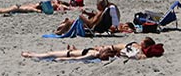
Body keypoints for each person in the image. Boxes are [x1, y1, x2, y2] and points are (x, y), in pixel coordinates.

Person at [21, 37, 159, 61]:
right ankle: (33, 55)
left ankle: (32, 55)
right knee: (71, 55)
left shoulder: (132, 45)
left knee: (62, 54)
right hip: (96, 51)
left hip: (95, 52)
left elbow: (110, 47)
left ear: (144, 45)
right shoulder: (138, 52)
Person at [55, 0, 119, 34]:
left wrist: (82, 17)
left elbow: (91, 24)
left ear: (101, 6)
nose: (96, 7)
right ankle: (61, 29)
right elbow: (95, 18)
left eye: (97, 5)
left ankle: (59, 32)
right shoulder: (102, 12)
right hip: (88, 26)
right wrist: (87, 13)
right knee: (67, 22)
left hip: (87, 27)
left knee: (70, 22)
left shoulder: (100, 13)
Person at [0, 0, 74, 15]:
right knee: (9, 9)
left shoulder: (57, 4)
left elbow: (65, 9)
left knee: (9, 9)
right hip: (31, 8)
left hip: (31, 8)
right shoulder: (55, 3)